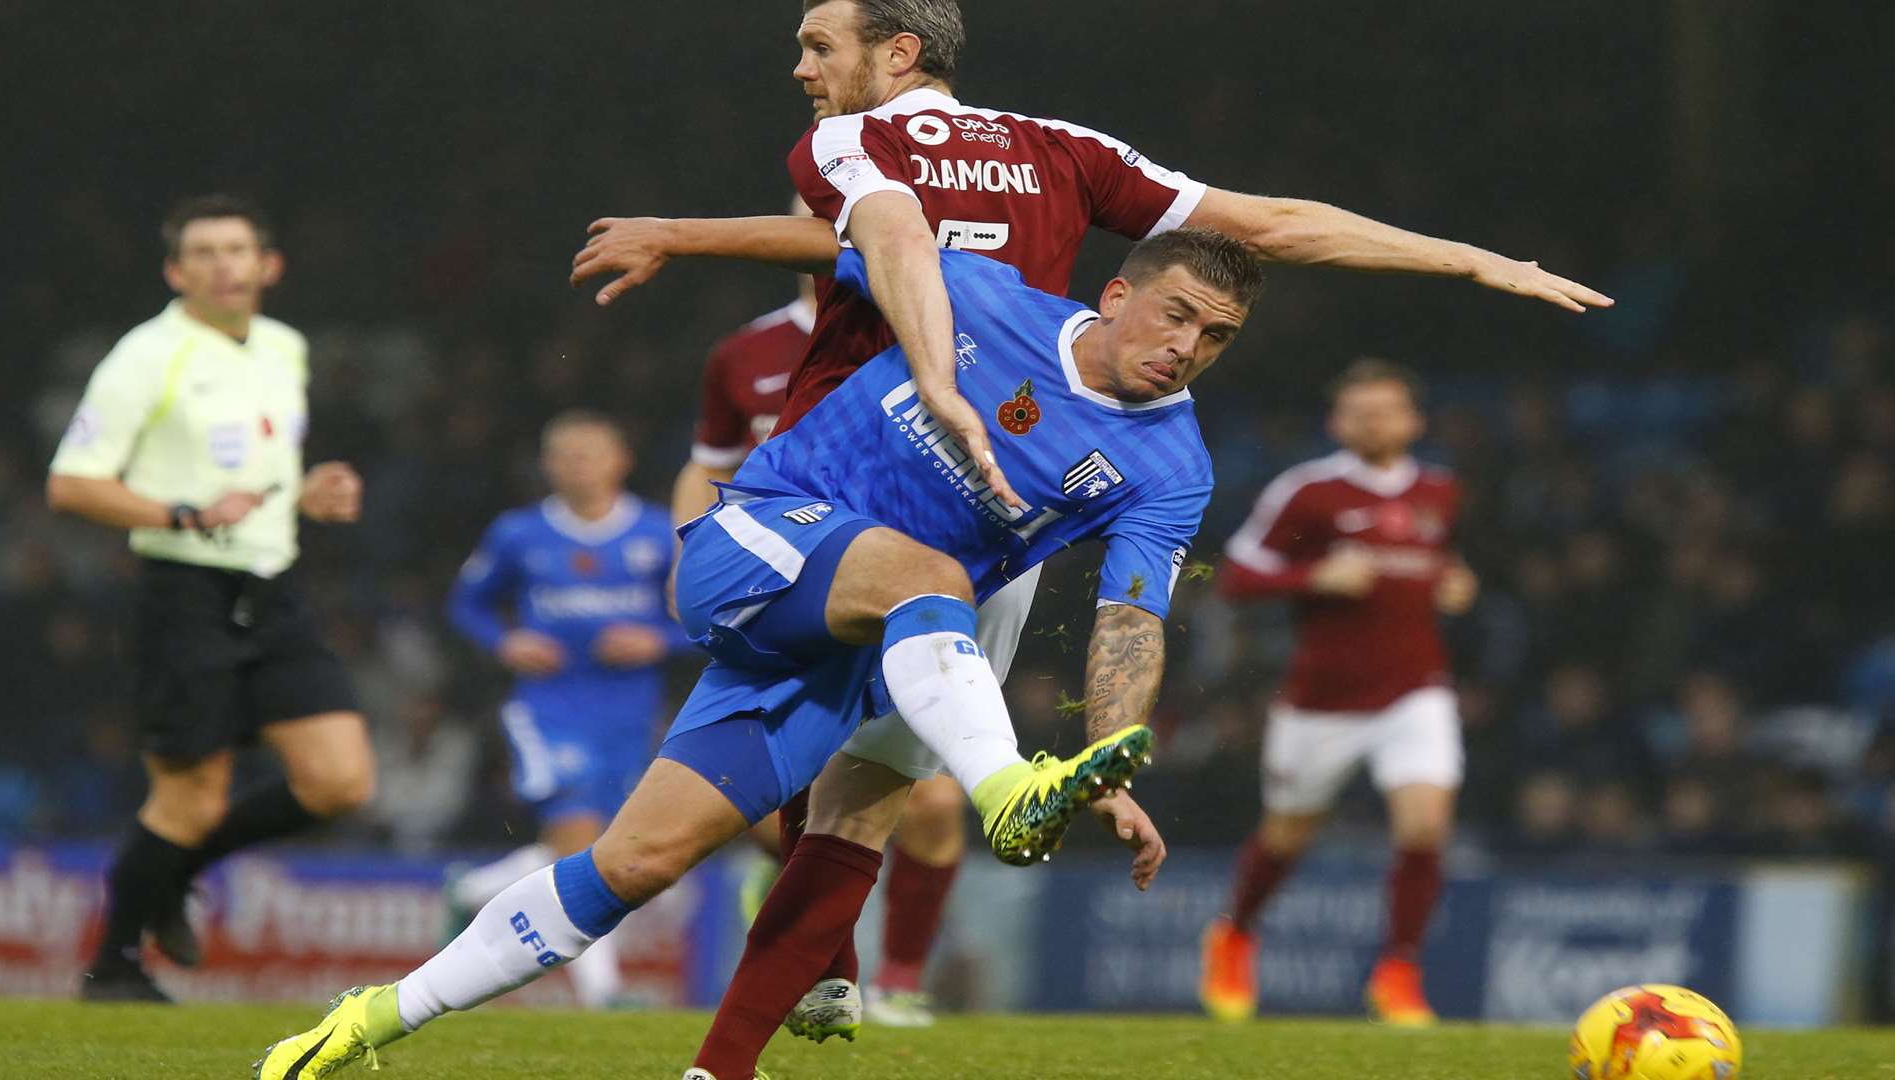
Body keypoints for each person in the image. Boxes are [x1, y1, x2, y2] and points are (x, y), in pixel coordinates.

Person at [571, 0, 1611, 1049]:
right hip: (987, 488)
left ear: (897, 52)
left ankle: (825, 968)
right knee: (878, 782)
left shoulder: (855, 142)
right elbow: (1279, 223)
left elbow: (849, 241)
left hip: (873, 461)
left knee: (847, 754)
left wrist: (677, 232)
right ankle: (820, 965)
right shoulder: (1064, 152)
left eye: (818, 47)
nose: (801, 68)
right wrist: (1469, 259)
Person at [253, 226, 1256, 1080]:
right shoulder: (975, 289)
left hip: (854, 634)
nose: (1189, 345)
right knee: (937, 581)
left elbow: (1130, 619)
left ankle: (373, 1019)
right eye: (1176, 314)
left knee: (637, 861)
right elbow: (834, 235)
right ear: (1118, 291)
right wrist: (678, 237)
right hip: (760, 540)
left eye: (1216, 336)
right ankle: (1003, 791)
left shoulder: (1173, 465)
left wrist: (1112, 761)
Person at [46, 195, 375, 1002]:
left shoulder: (283, 347)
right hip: (183, 591)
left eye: (238, 249)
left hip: (273, 588)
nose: (224, 264)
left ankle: (173, 875)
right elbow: (70, 484)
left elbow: (253, 477)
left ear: (269, 265)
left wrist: (305, 495)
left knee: (341, 780)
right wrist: (180, 515)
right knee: (190, 797)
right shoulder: (146, 356)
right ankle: (115, 966)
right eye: (204, 252)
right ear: (175, 270)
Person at [671, 198, 968, 1030]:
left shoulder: (933, 315)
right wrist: (687, 551)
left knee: (935, 806)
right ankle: (829, 969)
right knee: (780, 801)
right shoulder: (747, 351)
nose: (835, 215)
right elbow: (708, 467)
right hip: (793, 584)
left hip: (903, 583)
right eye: (819, 205)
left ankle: (900, 980)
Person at [1198, 359, 1477, 1027]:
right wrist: (1314, 577)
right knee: (1288, 832)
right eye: (1359, 411)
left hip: (1415, 689)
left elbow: (1445, 561)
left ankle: (1399, 972)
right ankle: (1235, 934)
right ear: (1337, 421)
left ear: (1413, 421)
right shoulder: (1309, 492)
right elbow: (1236, 577)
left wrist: (1456, 583)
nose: (1373, 421)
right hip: (1321, 700)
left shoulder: (1441, 491)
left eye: (1386, 410)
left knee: (1426, 823)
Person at [443, 410, 679, 1009]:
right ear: (547, 466)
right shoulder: (519, 534)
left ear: (620, 460)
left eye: (589, 454)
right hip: (548, 708)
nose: (577, 467)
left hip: (630, 711)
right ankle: (606, 993)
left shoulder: (658, 534)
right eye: (564, 456)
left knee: (602, 842)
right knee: (579, 842)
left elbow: (705, 620)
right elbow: (466, 604)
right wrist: (506, 642)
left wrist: (660, 640)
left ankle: (472, 889)